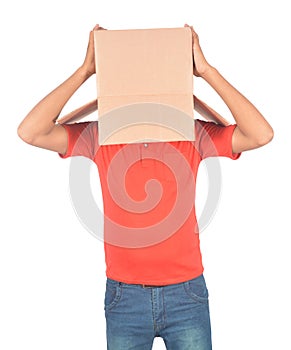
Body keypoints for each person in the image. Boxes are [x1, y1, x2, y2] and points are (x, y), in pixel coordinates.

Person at [17, 23, 273, 350]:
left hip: (186, 293)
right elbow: (30, 132)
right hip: (125, 297)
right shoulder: (101, 137)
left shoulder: (193, 135)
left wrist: (206, 71)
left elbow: (260, 135)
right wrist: (85, 71)